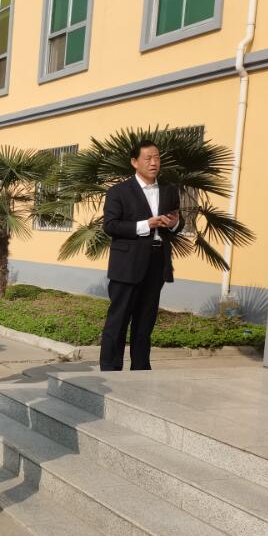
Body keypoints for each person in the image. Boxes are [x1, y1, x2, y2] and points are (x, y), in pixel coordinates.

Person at [100, 139, 183, 371]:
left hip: (156, 263)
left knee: (145, 322)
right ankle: (111, 370)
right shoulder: (118, 192)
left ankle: (141, 369)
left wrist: (175, 224)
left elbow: (178, 222)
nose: (154, 163)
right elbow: (111, 225)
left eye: (157, 158)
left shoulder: (169, 190)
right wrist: (146, 224)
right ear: (135, 162)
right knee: (118, 321)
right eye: (148, 158)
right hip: (127, 265)